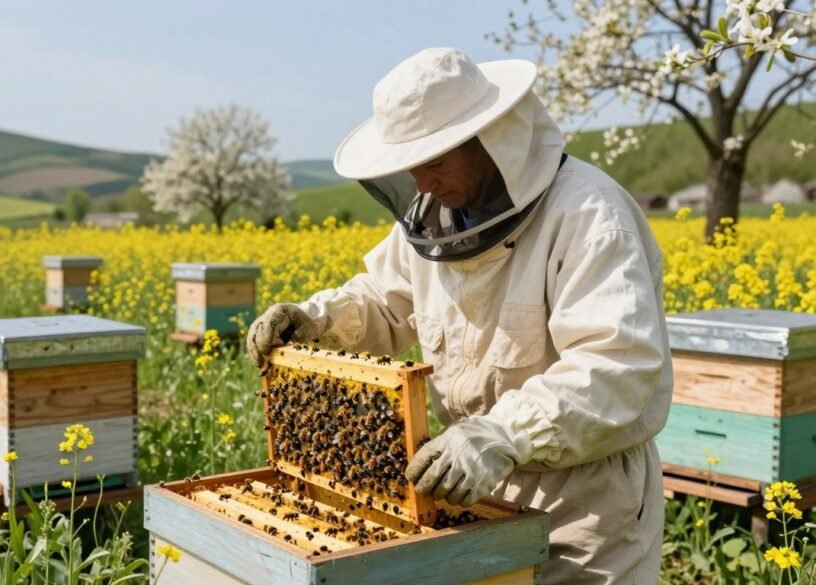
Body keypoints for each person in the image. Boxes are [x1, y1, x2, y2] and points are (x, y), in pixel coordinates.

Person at [247, 47, 672, 584]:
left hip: (586, 501)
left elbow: (616, 366)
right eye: (411, 167)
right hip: (471, 487)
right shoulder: (436, 220)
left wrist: (503, 435)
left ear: (491, 140)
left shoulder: (590, 216)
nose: (422, 183)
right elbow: (385, 301)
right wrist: (318, 319)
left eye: (436, 162)